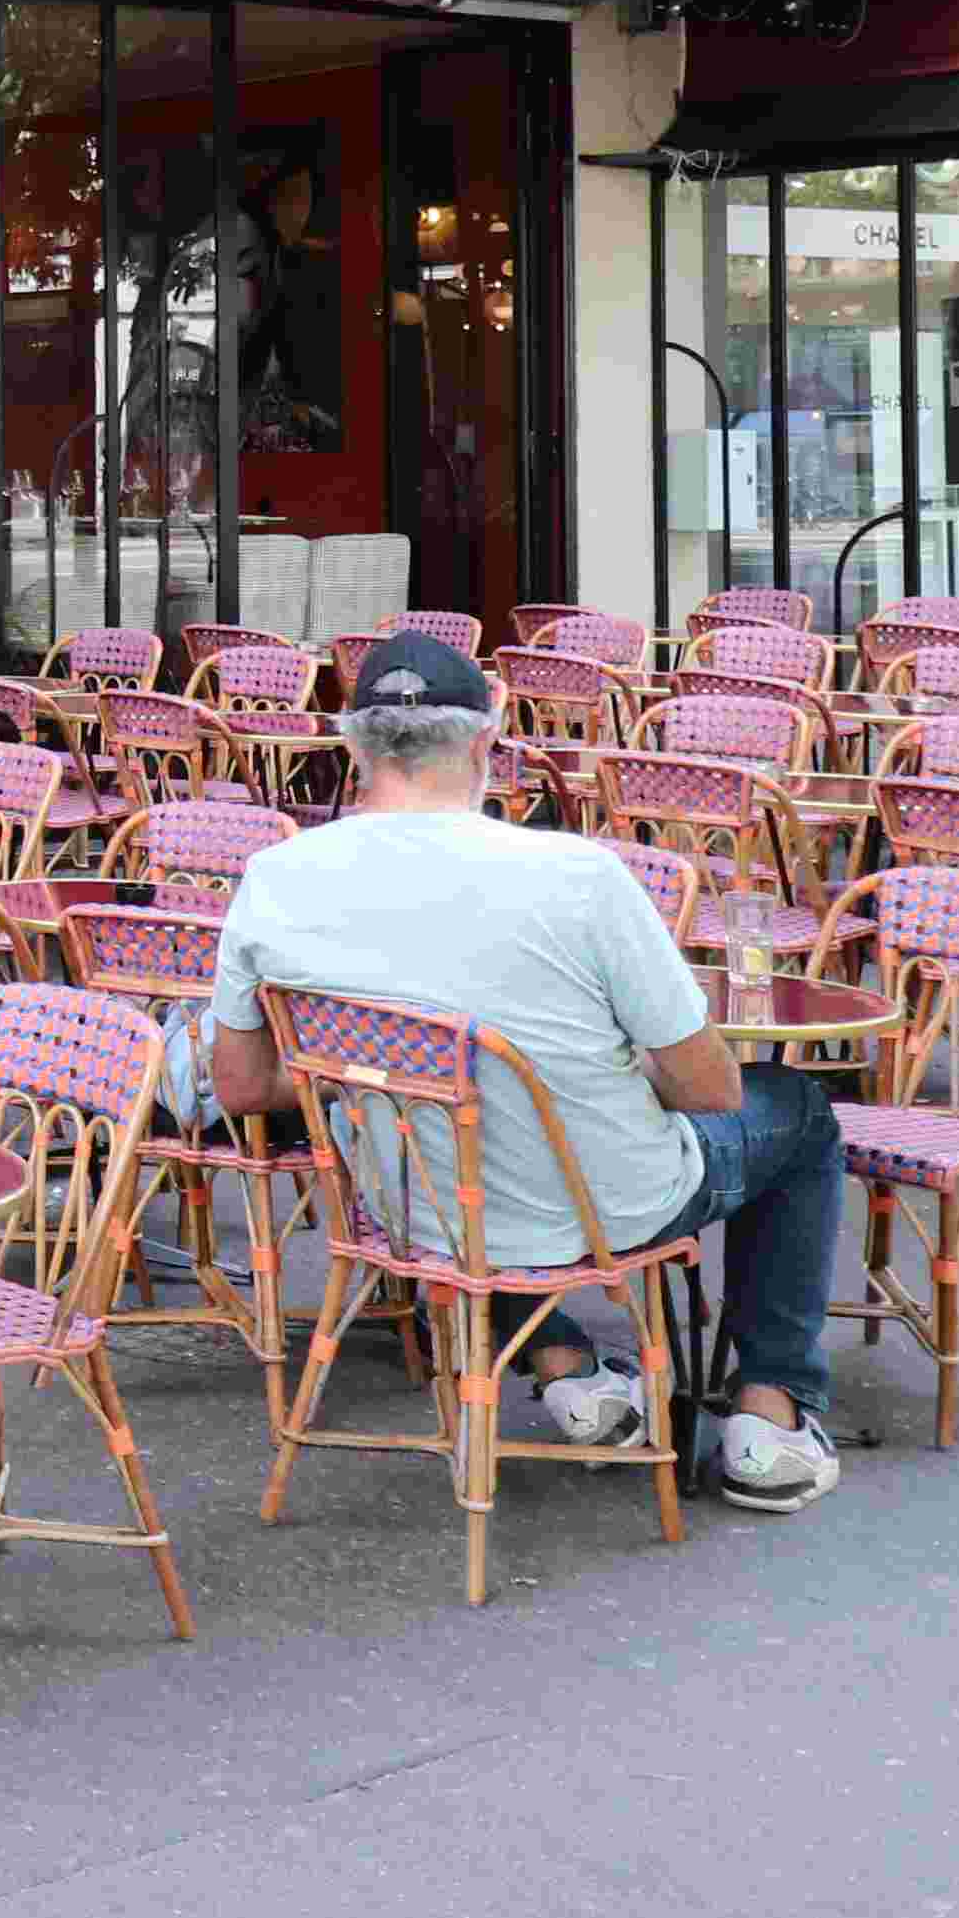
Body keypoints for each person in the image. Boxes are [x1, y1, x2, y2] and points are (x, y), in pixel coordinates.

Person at [199, 632, 849, 1513]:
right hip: (600, 1200)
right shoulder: (578, 874)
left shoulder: (274, 878)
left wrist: (377, 1071)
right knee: (800, 1112)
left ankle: (569, 1370)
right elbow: (710, 1090)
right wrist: (578, 1076)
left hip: (412, 1204)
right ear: (485, 744)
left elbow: (240, 1089)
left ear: (352, 747)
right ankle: (769, 1414)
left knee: (456, 1144)